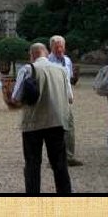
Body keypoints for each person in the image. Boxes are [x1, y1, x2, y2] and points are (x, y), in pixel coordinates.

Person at [10, 42, 73, 194]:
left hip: (33, 122)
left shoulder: (27, 69)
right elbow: (70, 97)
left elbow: (15, 97)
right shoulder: (62, 70)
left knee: (32, 163)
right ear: (46, 53)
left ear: (31, 55)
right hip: (57, 121)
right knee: (59, 163)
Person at [48, 35, 83, 166]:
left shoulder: (67, 60)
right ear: (51, 47)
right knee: (54, 129)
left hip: (66, 98)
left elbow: (69, 80)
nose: (59, 49)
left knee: (69, 127)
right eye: (57, 46)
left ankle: (69, 156)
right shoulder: (48, 61)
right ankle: (55, 158)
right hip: (53, 99)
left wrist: (70, 95)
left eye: (61, 46)